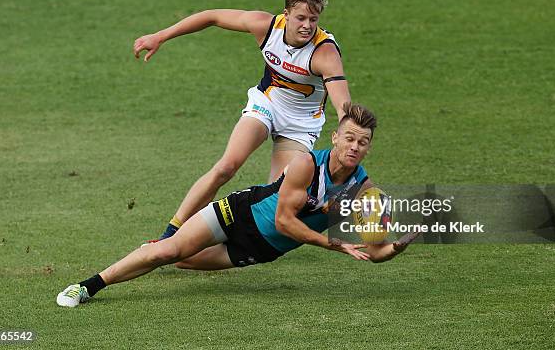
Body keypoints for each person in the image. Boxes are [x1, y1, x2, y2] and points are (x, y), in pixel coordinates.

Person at [57, 103, 420, 307]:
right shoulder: (307, 164)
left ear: (369, 147)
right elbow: (284, 222)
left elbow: (373, 251)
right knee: (164, 253)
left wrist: (395, 248)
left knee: (180, 259)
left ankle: (154, 250)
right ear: (336, 137)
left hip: (259, 249)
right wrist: (333, 244)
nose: (355, 146)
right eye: (351, 138)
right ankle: (87, 286)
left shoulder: (365, 190)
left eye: (364, 142)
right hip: (238, 215)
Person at [133, 0, 352, 241]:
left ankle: (314, 204)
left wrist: (347, 136)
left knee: (278, 196)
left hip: (301, 125)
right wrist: (161, 36)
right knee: (226, 167)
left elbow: (342, 106)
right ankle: (170, 235)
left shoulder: (324, 53)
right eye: (301, 18)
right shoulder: (266, 26)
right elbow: (211, 17)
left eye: (313, 19)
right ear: (286, 15)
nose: (307, 25)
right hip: (267, 105)